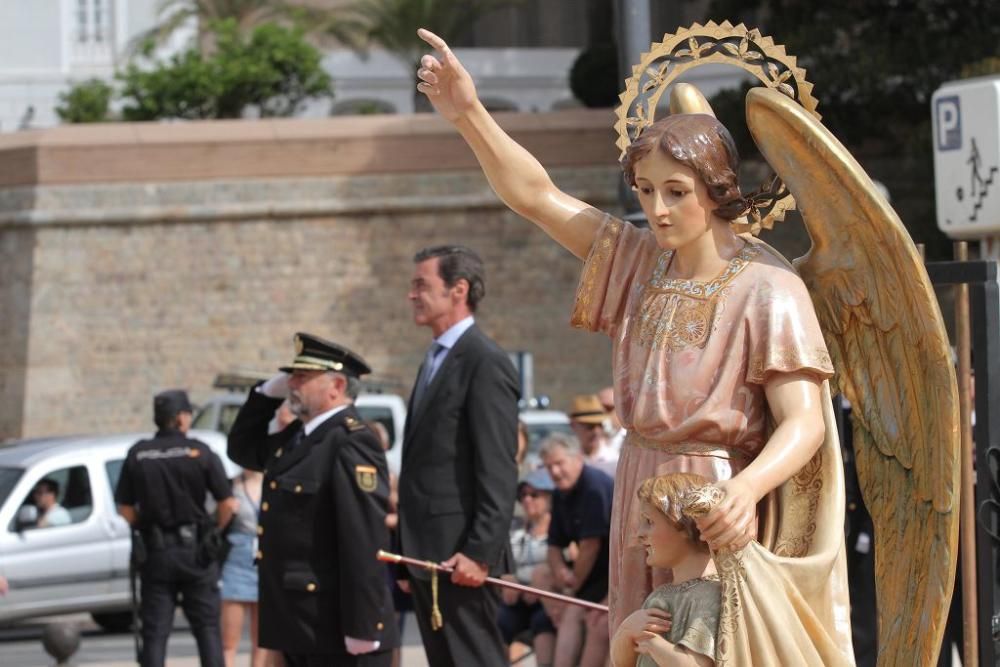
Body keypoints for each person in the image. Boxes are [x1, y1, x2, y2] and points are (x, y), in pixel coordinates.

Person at [413, 28, 836, 638]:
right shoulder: (639, 260)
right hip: (640, 486)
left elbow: (805, 421)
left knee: (699, 643)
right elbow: (537, 197)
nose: (658, 210)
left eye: (675, 192)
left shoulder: (767, 286)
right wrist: (469, 114)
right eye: (645, 192)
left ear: (715, 191)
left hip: (713, 498)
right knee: (636, 640)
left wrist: (745, 491)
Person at [227, 333, 399, 667]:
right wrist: (264, 395)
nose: (292, 383)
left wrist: (363, 625)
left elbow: (363, 537)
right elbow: (243, 450)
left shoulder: (351, 442)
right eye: (292, 376)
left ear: (335, 386)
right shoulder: (298, 437)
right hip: (297, 622)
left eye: (303, 377)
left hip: (335, 625)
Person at [397, 244, 520, 667]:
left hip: (462, 556)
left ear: (458, 289)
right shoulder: (435, 358)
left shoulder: (484, 362)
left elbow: (498, 467)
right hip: (429, 554)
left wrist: (481, 552)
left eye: (421, 285)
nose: (412, 295)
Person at [115, 389, 237, 667]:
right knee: (207, 628)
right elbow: (228, 503)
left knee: (155, 632)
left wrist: (144, 526)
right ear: (181, 418)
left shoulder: (139, 453)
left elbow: (124, 508)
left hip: (156, 552)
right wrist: (214, 532)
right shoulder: (200, 452)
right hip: (196, 551)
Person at [611, 472, 720, 667]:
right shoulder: (660, 595)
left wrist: (651, 642)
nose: (639, 534)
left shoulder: (710, 595)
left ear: (685, 525)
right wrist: (626, 632)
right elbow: (623, 663)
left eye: (649, 522)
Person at [540, 433, 614, 667]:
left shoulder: (594, 487)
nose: (554, 472)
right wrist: (559, 569)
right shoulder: (560, 493)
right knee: (541, 577)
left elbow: (591, 546)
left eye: (559, 464)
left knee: (582, 616)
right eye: (549, 466)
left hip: (612, 574)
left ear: (578, 459)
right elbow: (553, 544)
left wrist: (572, 589)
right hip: (586, 576)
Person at [498, 468, 557, 666]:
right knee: (499, 621)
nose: (527, 500)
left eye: (534, 494)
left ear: (549, 497)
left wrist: (544, 579)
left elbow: (568, 564)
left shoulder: (559, 529)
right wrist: (506, 575)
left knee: (543, 623)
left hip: (548, 598)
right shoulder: (514, 529)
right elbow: (501, 559)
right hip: (516, 597)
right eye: (523, 495)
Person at [219, 469, 277, 667]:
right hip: (237, 558)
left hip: (266, 558)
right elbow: (218, 525)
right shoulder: (231, 485)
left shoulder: (274, 482)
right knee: (229, 639)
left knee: (262, 639)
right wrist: (226, 510)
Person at [568, 394, 619, 475]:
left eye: (600, 425)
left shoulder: (614, 459)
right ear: (573, 425)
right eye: (590, 426)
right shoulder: (566, 458)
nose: (596, 431)